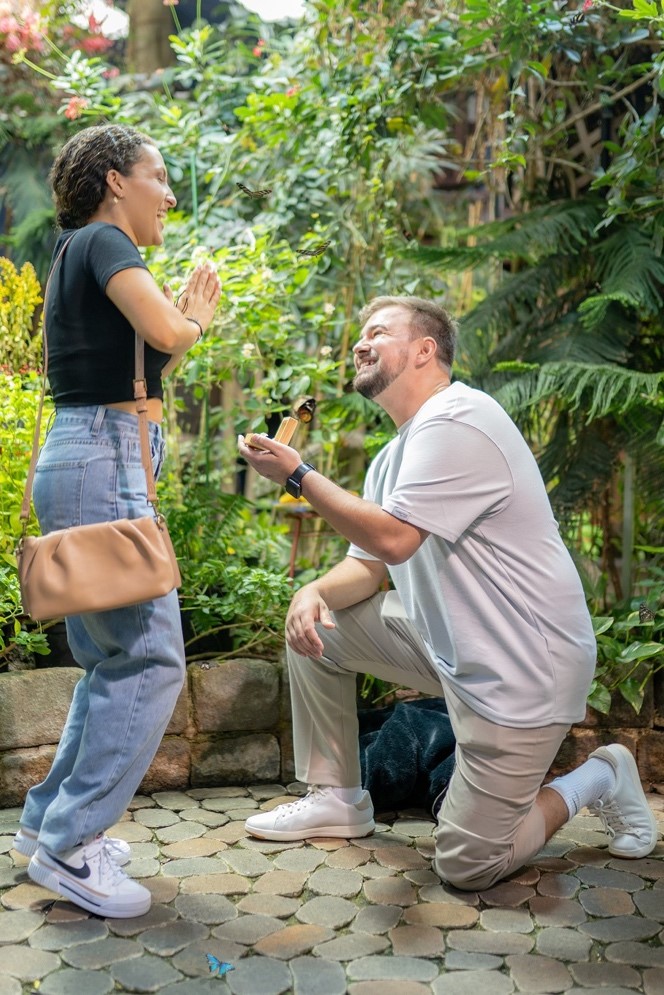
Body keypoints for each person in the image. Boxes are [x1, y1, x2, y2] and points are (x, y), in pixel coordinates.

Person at [238, 296, 658, 891]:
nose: (360, 343)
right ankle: (335, 796)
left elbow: (395, 538)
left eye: (377, 333)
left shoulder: (458, 418)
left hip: (520, 669)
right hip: (452, 651)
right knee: (316, 626)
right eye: (359, 334)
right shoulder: (392, 456)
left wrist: (299, 476)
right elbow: (368, 567)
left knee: (468, 866)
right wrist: (311, 590)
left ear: (424, 350)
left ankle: (600, 777)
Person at [13, 124, 221, 918]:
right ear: (112, 182)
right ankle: (70, 848)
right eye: (157, 176)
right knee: (152, 656)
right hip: (103, 459)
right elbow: (169, 335)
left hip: (86, 454)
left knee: (111, 661)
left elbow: (141, 364)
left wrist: (181, 330)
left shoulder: (74, 252)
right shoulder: (105, 242)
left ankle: (46, 824)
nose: (168, 194)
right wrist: (195, 315)